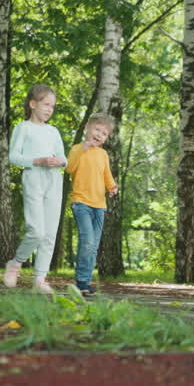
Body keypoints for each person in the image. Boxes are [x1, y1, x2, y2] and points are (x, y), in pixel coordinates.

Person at [5, 84, 66, 295]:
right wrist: (38, 160)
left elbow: (64, 158)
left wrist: (58, 161)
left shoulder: (53, 131)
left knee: (49, 234)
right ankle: (16, 263)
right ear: (33, 104)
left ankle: (40, 279)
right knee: (37, 231)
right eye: (46, 104)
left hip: (54, 180)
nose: (50, 109)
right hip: (33, 177)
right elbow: (13, 157)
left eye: (53, 106)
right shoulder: (23, 128)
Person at [64, 112, 118, 297]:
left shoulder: (103, 154)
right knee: (87, 241)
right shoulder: (76, 149)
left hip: (99, 205)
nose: (99, 135)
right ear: (87, 127)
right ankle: (81, 282)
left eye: (104, 133)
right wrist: (83, 149)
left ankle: (85, 283)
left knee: (93, 245)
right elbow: (69, 168)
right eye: (97, 129)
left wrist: (112, 186)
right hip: (81, 203)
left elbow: (106, 174)